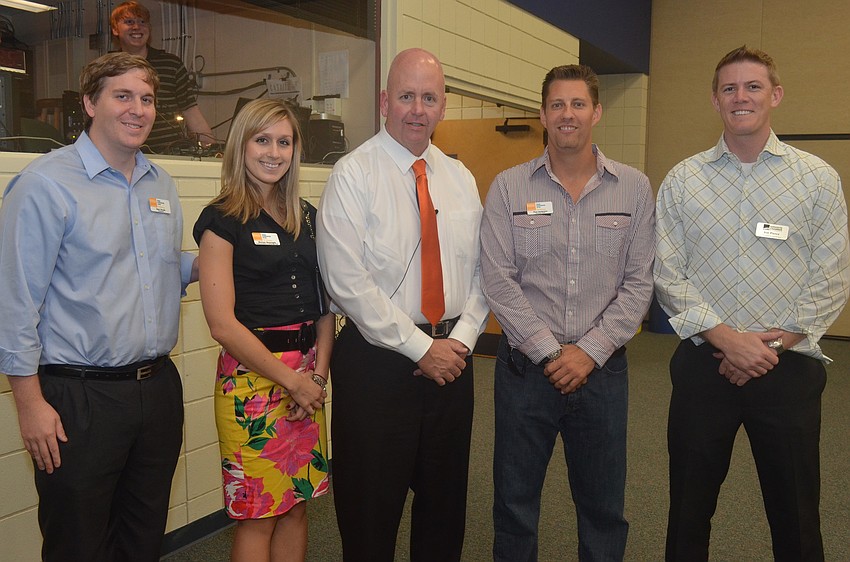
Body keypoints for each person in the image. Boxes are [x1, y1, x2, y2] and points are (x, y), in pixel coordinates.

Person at [654, 45, 850, 561]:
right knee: (687, 514)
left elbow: (831, 276)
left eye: (753, 86)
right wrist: (727, 339)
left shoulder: (817, 178)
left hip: (787, 370)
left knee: (797, 517)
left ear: (775, 95)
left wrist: (769, 347)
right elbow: (668, 273)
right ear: (715, 100)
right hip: (705, 367)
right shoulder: (683, 180)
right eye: (729, 88)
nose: (740, 97)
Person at [0, 52, 198, 561]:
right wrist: (29, 404)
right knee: (79, 544)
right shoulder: (45, 184)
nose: (138, 109)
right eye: (122, 96)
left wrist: (215, 263)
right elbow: (15, 302)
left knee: (143, 537)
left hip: (156, 391)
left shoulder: (160, 183)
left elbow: (156, 267)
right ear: (90, 103)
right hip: (79, 399)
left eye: (147, 98)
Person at [316, 48, 489, 561]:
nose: (417, 109)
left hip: (453, 363)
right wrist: (420, 348)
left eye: (429, 98)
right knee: (370, 516)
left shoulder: (460, 178)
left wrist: (461, 341)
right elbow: (346, 281)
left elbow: (486, 270)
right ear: (384, 101)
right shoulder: (352, 174)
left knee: (444, 513)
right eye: (406, 96)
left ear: (443, 106)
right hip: (377, 365)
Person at [480, 64, 655, 561]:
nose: (567, 114)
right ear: (542, 114)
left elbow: (639, 283)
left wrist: (588, 352)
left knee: (603, 510)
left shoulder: (634, 188)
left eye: (578, 104)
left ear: (596, 112)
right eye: (557, 104)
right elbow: (498, 279)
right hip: (524, 373)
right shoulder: (509, 187)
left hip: (602, 374)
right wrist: (552, 353)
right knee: (514, 508)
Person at [193, 98, 330, 562]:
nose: (274, 152)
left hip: (308, 379)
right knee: (259, 514)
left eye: (284, 142)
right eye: (262, 140)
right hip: (252, 381)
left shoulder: (306, 215)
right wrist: (293, 380)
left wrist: (316, 378)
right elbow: (221, 324)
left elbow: (325, 308)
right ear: (241, 145)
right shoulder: (221, 219)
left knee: (296, 505)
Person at [111, 0, 214, 153]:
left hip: (170, 154)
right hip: (122, 154)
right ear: (115, 29)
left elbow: (190, 109)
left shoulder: (171, 64)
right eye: (129, 22)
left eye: (142, 22)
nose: (137, 27)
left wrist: (211, 149)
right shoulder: (108, 68)